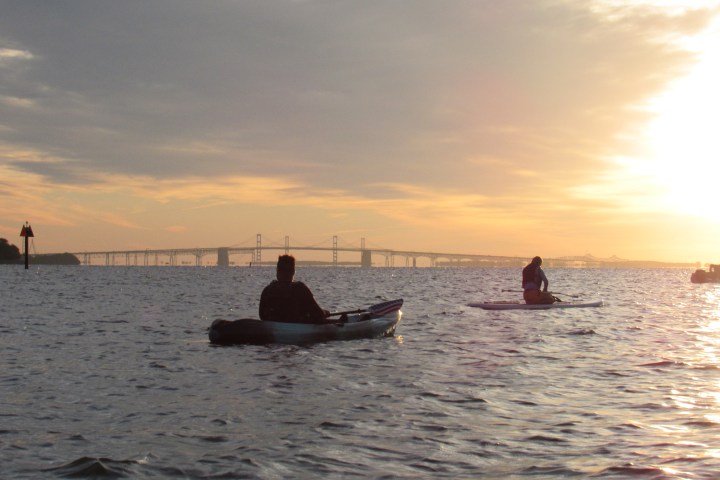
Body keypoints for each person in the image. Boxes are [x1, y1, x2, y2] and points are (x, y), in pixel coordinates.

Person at [259, 254, 331, 323]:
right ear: (293, 272)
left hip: (273, 325)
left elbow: (262, 316)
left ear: (277, 271)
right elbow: (318, 314)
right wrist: (325, 312)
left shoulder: (267, 290)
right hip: (296, 326)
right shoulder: (300, 289)